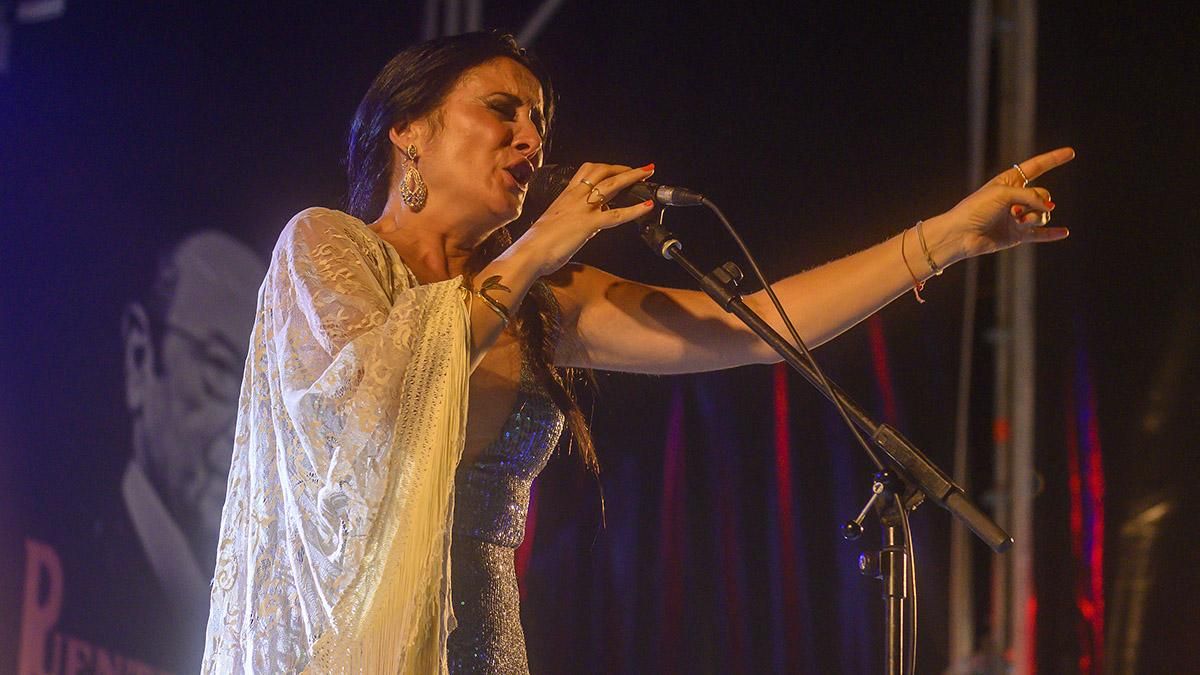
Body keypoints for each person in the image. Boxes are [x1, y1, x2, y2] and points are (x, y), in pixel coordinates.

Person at [202, 30, 1073, 673]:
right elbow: (374, 399)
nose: (531, 140)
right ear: (408, 130)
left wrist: (944, 239)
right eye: (501, 110)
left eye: (537, 123)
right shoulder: (326, 248)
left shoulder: (545, 301)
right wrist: (542, 242)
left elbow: (754, 328)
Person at [100, 230, 264, 669]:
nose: (239, 426)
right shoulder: (73, 561)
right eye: (218, 370)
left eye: (259, 394)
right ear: (139, 356)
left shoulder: (259, 609)